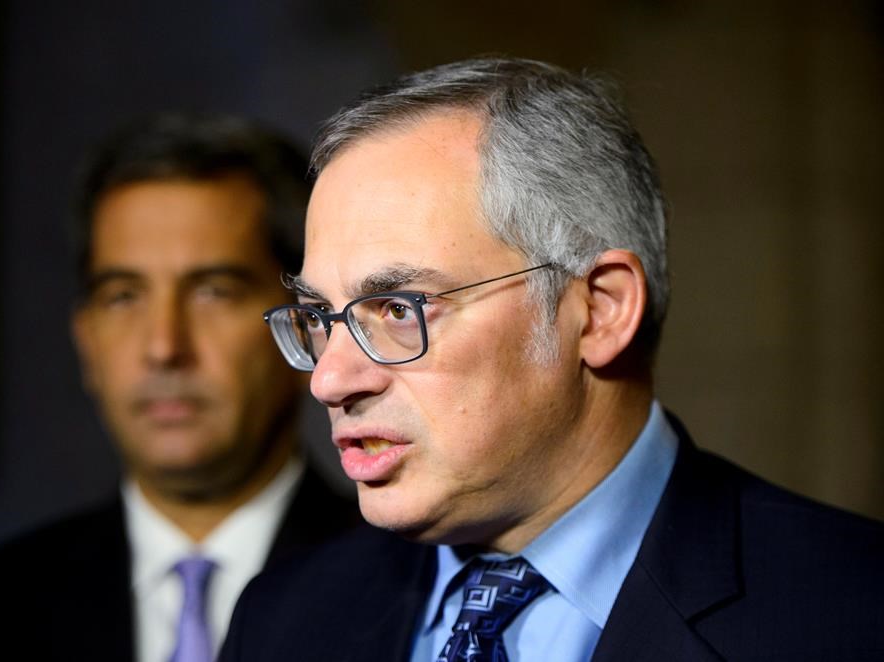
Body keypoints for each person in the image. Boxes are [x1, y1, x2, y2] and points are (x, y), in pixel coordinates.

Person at [220, 58, 884, 661]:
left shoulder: (853, 613)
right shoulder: (283, 620)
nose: (331, 379)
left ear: (600, 309)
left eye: (398, 309)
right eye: (318, 317)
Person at [0, 113, 360, 662]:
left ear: (305, 327)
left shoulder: (424, 595)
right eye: (123, 296)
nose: (163, 347)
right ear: (85, 340)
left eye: (213, 292)